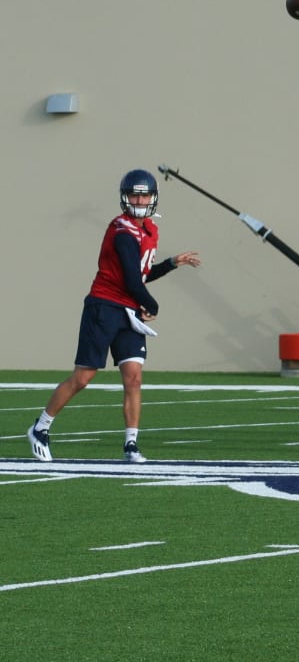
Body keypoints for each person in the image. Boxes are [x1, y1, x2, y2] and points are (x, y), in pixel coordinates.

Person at [27, 168, 201, 463]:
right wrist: (152, 305)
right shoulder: (123, 232)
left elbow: (142, 274)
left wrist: (172, 263)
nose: (139, 199)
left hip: (128, 310)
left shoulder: (149, 230)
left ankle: (131, 445)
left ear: (153, 198)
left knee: (133, 379)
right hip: (104, 307)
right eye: (134, 194)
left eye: (144, 194)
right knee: (83, 377)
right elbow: (132, 282)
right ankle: (40, 428)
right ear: (124, 197)